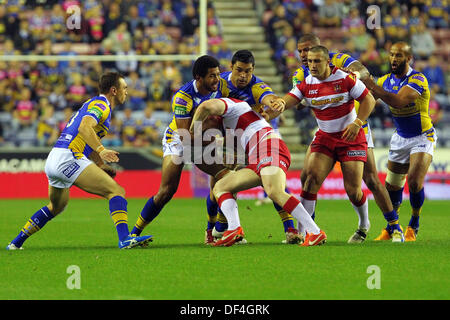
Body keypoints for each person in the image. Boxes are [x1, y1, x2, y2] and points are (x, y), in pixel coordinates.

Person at [6, 72, 153, 250]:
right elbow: (84, 127)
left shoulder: (92, 104)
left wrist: (99, 164)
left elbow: (84, 137)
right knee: (116, 191)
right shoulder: (102, 105)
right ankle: (125, 239)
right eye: (125, 88)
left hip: (55, 158)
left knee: (56, 206)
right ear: (114, 90)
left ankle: (16, 243)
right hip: (69, 156)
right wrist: (102, 150)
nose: (127, 92)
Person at [292, 34, 401, 243]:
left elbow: (364, 72)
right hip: (326, 130)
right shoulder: (300, 74)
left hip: (357, 125)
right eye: (301, 51)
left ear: (319, 48)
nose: (304, 55)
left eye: (308, 50)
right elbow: (298, 101)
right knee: (307, 176)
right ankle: (308, 229)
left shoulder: (339, 60)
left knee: (369, 180)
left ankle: (393, 226)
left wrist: (350, 77)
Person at [271, 45, 377, 243]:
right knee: (310, 181)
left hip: (350, 138)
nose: (312, 65)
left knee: (353, 191)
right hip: (325, 138)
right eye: (309, 61)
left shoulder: (345, 78)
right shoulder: (306, 84)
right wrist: (280, 105)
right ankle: (306, 233)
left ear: (328, 62)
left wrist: (357, 123)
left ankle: (364, 225)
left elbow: (369, 100)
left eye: (317, 61)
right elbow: (290, 99)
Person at [190, 97, 327, 247]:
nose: (203, 127)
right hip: (257, 157)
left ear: (211, 116)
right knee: (221, 187)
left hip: (269, 146)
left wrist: (192, 130)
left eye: (203, 122)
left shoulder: (235, 106)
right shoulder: (228, 127)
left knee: (275, 191)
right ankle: (234, 229)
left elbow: (206, 106)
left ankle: (314, 232)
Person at [208, 49, 302, 245]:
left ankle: (290, 230)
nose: (243, 76)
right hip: (229, 140)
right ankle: (215, 229)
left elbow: (268, 97)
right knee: (217, 185)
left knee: (273, 185)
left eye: (248, 71)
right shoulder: (220, 84)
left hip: (254, 141)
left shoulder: (255, 85)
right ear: (231, 67)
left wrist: (276, 103)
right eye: (239, 70)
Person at [130, 55, 229, 238]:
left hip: (204, 138)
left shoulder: (221, 84)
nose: (217, 79)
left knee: (223, 178)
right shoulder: (183, 97)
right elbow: (185, 137)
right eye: (212, 76)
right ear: (198, 78)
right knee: (167, 191)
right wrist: (215, 140)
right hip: (178, 140)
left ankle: (213, 231)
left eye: (218, 74)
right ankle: (134, 233)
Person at [360, 42, 437, 242]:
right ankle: (392, 227)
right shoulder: (385, 80)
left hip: (422, 136)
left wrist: (370, 83)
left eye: (399, 56)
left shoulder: (417, 79)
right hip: (400, 138)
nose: (394, 59)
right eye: (392, 55)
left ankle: (414, 223)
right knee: (392, 187)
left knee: (413, 181)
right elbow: (367, 98)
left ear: (409, 58)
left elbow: (397, 101)